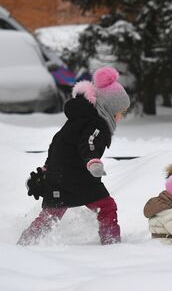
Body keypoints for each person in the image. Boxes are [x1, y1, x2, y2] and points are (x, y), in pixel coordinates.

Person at [18, 66, 131, 245]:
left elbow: (57, 145)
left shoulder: (77, 121)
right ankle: (112, 244)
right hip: (77, 178)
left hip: (61, 176)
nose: (120, 118)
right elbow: (89, 143)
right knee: (107, 207)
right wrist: (93, 160)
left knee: (50, 217)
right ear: (110, 108)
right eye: (120, 113)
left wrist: (46, 169)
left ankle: (25, 243)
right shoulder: (96, 123)